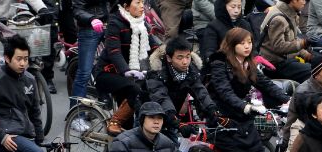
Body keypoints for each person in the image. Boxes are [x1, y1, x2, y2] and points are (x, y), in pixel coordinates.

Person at [208, 27, 290, 152]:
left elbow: (266, 84)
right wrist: (245, 106)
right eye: (242, 43)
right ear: (232, 45)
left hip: (243, 118)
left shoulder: (248, 63)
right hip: (224, 119)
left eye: (250, 42)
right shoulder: (219, 63)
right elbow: (225, 92)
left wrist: (288, 100)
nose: (247, 46)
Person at [96, 0, 155, 135]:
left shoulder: (142, 22)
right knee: (134, 89)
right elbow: (114, 51)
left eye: (143, 2)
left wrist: (167, 55)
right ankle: (114, 121)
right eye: (138, 2)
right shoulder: (114, 23)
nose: (142, 6)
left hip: (129, 74)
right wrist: (127, 70)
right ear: (126, 6)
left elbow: (153, 46)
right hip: (108, 73)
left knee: (147, 92)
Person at [146, 37, 218, 142]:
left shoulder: (192, 71)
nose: (185, 62)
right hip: (150, 116)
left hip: (172, 116)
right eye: (179, 57)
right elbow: (161, 98)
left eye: (188, 57)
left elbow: (200, 92)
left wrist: (212, 111)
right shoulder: (157, 71)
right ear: (169, 58)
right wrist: (177, 123)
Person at [259, 0, 312, 82]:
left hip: (286, 59)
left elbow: (292, 40)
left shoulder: (289, 12)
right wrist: (303, 43)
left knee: (319, 63)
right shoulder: (279, 19)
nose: (305, 2)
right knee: (313, 71)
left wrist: (308, 56)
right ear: (293, 1)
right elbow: (279, 47)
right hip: (275, 64)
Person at [70, 0, 111, 101]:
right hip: (89, 28)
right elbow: (77, 10)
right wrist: (92, 19)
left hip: (110, 25)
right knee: (84, 73)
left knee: (119, 66)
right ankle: (77, 112)